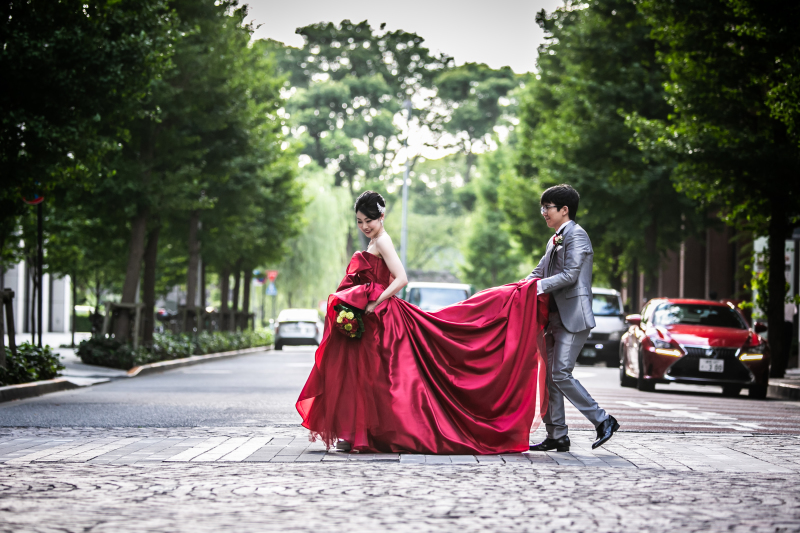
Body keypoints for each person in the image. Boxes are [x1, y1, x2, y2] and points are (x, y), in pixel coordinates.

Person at [296, 191, 550, 454]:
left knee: (387, 378)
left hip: (384, 318)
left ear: (382, 216)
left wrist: (374, 302)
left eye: (368, 220)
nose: (364, 226)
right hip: (373, 318)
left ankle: (371, 434)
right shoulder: (375, 240)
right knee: (368, 376)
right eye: (359, 221)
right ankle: (359, 434)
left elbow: (401, 278)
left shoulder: (383, 241)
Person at [525, 184, 619, 452]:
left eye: (548, 208)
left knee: (561, 373)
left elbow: (569, 275)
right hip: (553, 318)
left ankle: (603, 420)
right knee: (550, 378)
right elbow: (539, 271)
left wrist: (536, 287)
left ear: (564, 210)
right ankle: (557, 435)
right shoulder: (555, 238)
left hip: (573, 317)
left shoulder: (577, 236)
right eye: (542, 207)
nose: (543, 212)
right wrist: (519, 287)